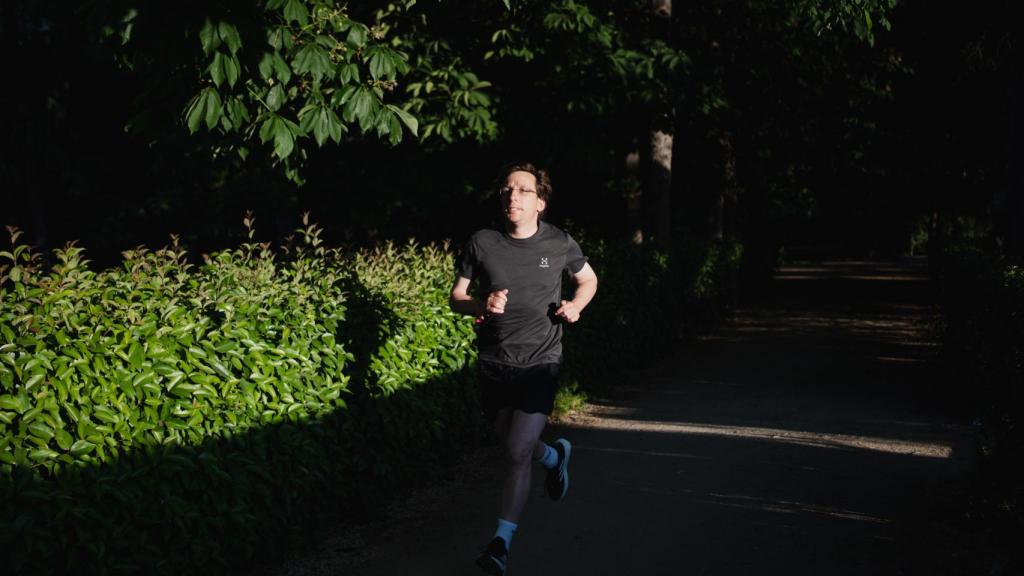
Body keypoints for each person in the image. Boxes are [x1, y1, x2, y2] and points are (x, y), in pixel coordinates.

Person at [450, 161, 598, 575]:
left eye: (523, 191)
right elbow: (456, 296)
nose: (512, 196)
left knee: (516, 452)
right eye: (506, 190)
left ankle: (501, 543)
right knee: (514, 445)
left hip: (541, 360)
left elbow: (588, 280)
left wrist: (576, 305)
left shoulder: (560, 243)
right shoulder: (482, 242)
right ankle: (553, 457)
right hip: (494, 363)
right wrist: (480, 304)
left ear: (541, 203)